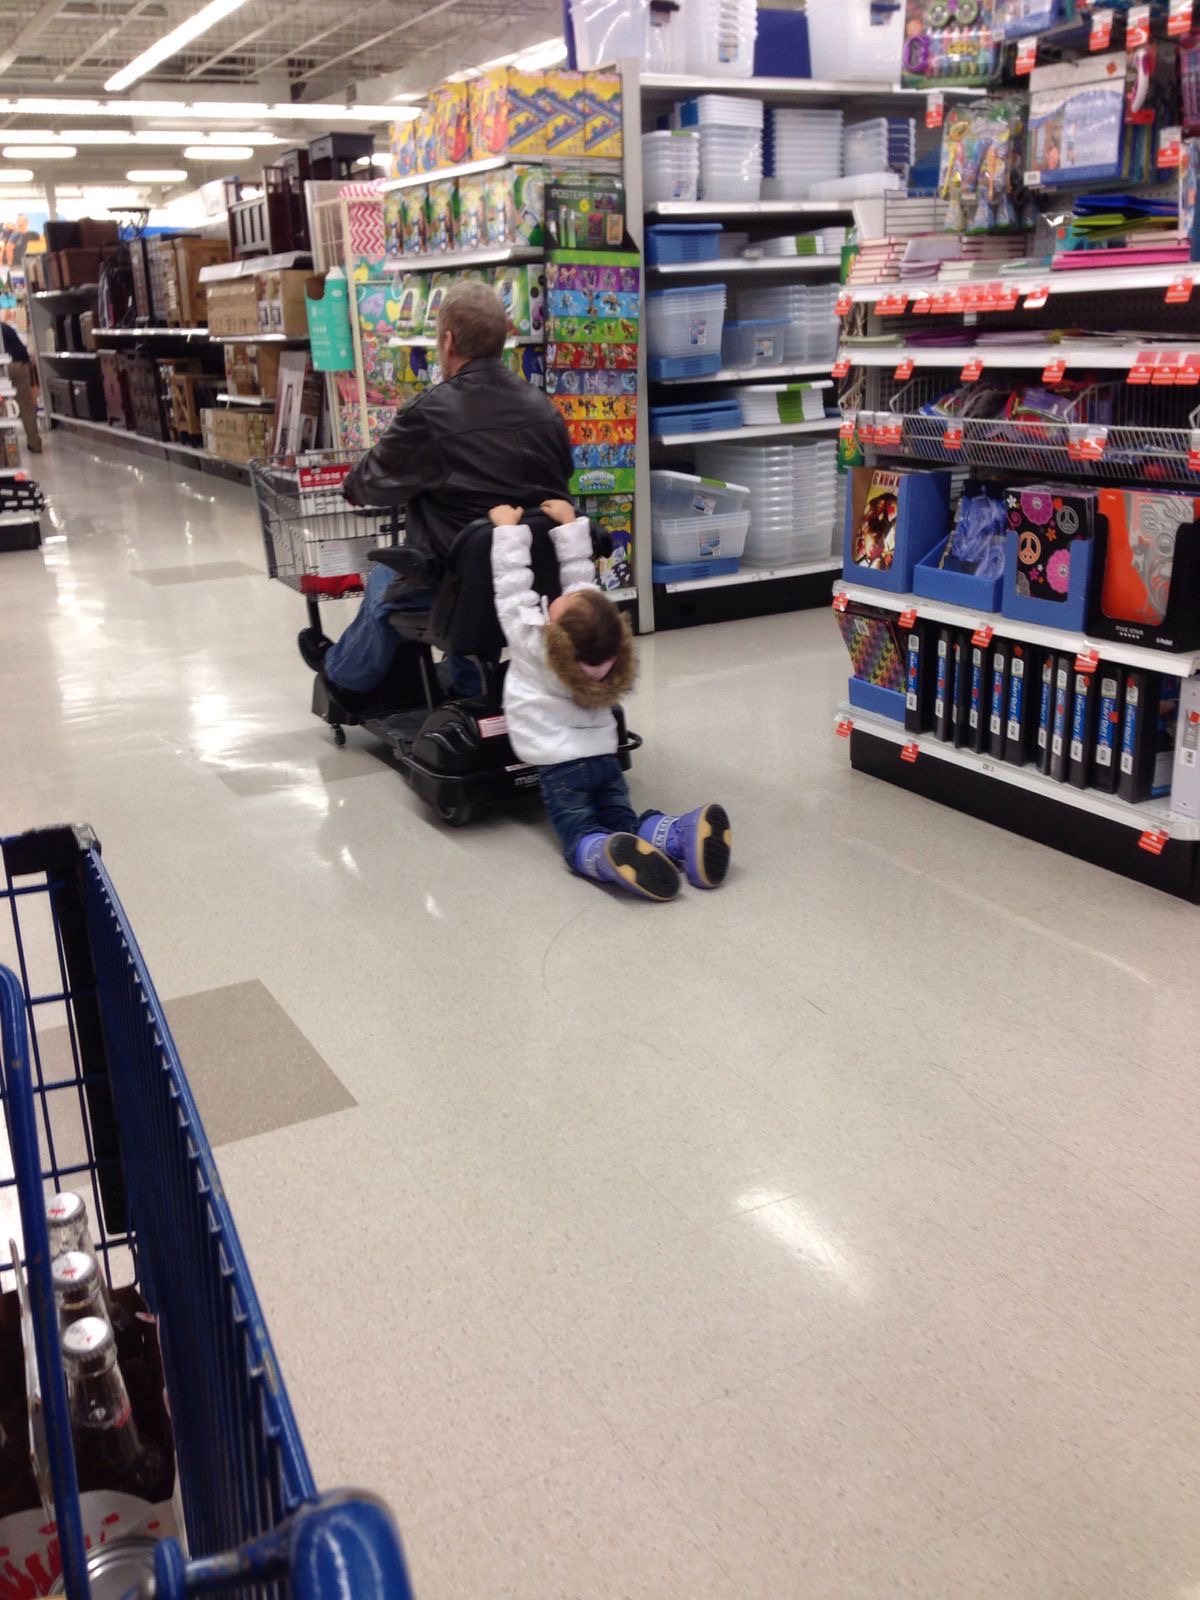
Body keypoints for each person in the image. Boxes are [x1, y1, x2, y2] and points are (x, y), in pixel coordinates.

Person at [300, 281, 573, 698]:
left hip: (456, 585)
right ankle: (469, 683)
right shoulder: (545, 409)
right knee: (469, 552)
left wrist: (352, 487)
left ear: (447, 341)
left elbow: (369, 485)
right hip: (535, 577)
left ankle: (342, 674)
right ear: (503, 338)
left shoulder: (429, 414)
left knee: (387, 579)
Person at [490, 498, 732, 901]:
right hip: (604, 756)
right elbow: (583, 583)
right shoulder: (607, 650)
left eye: (563, 602)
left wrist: (508, 531)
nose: (564, 594)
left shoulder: (535, 644)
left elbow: (512, 592)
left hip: (559, 766)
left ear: (557, 627)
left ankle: (601, 855)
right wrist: (570, 524)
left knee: (581, 831)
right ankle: (676, 834)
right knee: (622, 819)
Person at [2, 321, 40, 454]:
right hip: (21, 364)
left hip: (4, 366)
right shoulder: (6, 327)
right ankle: (35, 443)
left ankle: (4, 449)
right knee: (26, 406)